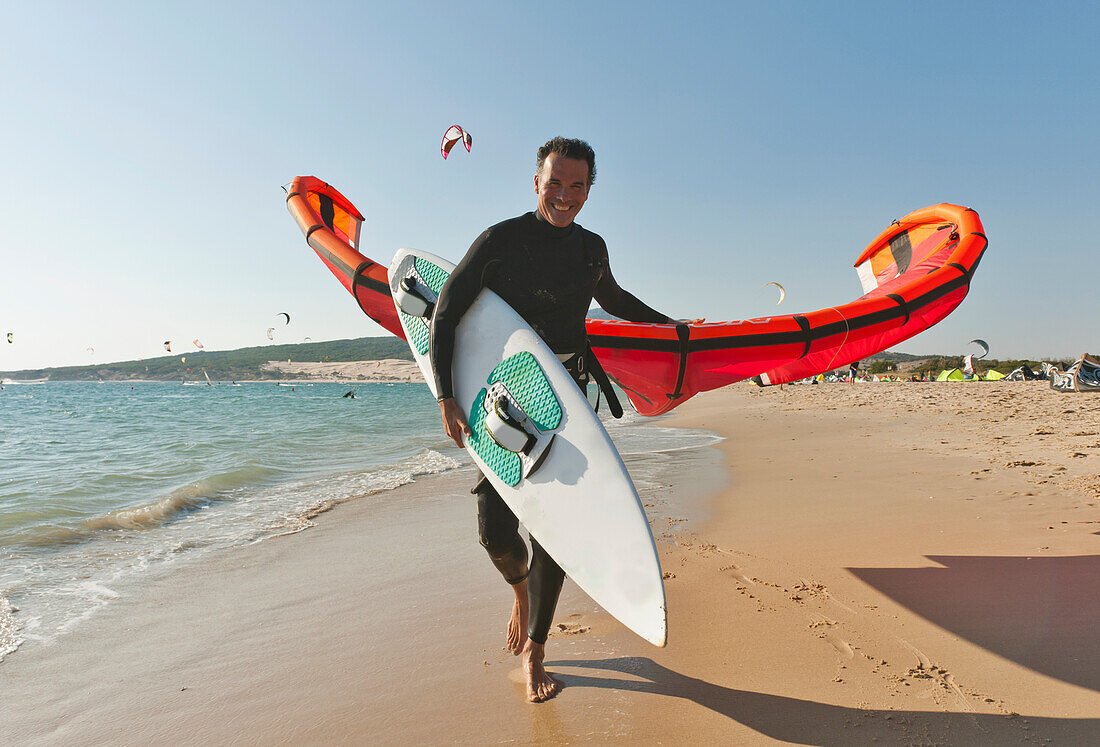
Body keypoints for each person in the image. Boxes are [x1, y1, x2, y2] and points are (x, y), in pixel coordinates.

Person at [430, 137, 671, 703]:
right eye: (554, 183)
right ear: (535, 181)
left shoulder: (591, 248)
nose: (565, 196)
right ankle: (520, 590)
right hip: (505, 399)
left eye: (577, 185)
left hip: (568, 400)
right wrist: (446, 396)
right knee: (493, 528)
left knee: (556, 529)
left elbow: (612, 298)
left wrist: (673, 326)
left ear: (591, 189)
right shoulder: (501, 240)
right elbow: (445, 309)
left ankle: (537, 647)